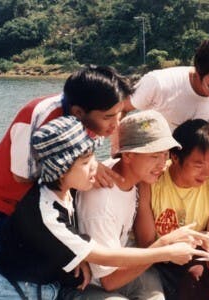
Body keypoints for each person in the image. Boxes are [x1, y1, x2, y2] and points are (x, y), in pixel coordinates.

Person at [0, 116, 209, 300]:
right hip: (13, 292)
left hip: (45, 287)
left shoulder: (63, 190)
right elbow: (100, 256)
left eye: (93, 159)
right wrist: (165, 248)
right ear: (61, 169)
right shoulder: (46, 212)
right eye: (86, 163)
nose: (96, 168)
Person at [0, 65, 131, 276]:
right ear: (78, 112)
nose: (116, 124)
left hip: (42, 211)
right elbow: (21, 178)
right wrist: (68, 248)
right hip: (3, 205)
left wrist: (70, 249)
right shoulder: (38, 116)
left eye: (120, 114)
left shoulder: (92, 116)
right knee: (0, 279)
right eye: (109, 117)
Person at [75, 109, 181, 299]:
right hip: (89, 283)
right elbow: (109, 281)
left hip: (119, 267)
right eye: (154, 156)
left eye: (165, 154)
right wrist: (164, 248)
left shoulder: (131, 175)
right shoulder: (102, 203)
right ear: (128, 155)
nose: (162, 164)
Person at [134, 119, 209, 300]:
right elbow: (146, 245)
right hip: (153, 260)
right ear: (175, 157)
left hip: (189, 260)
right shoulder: (151, 181)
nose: (207, 173)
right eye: (198, 165)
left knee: (195, 277)